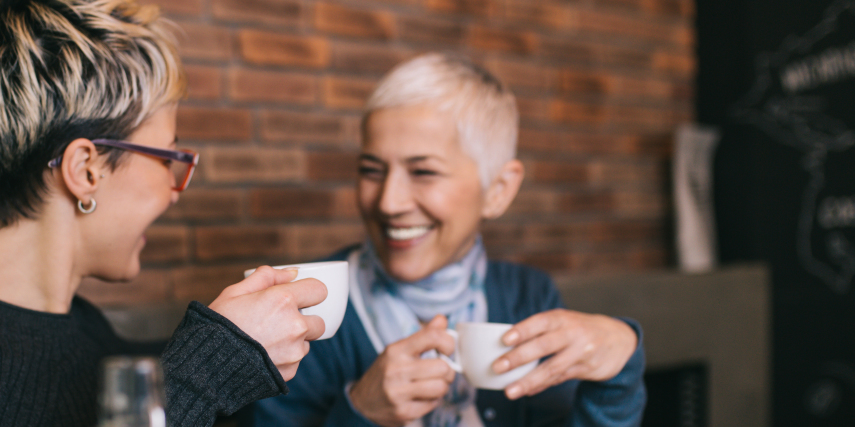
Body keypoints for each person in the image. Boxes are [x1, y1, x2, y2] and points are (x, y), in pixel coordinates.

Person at [0, 0, 327, 425]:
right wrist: (211, 371)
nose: (176, 191)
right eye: (170, 159)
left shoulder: (91, 333)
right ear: (85, 169)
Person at [242, 53, 647, 426]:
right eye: (371, 169)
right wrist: (362, 412)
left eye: (423, 172)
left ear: (499, 190)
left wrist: (621, 365)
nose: (389, 202)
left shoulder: (529, 296)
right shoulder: (309, 309)